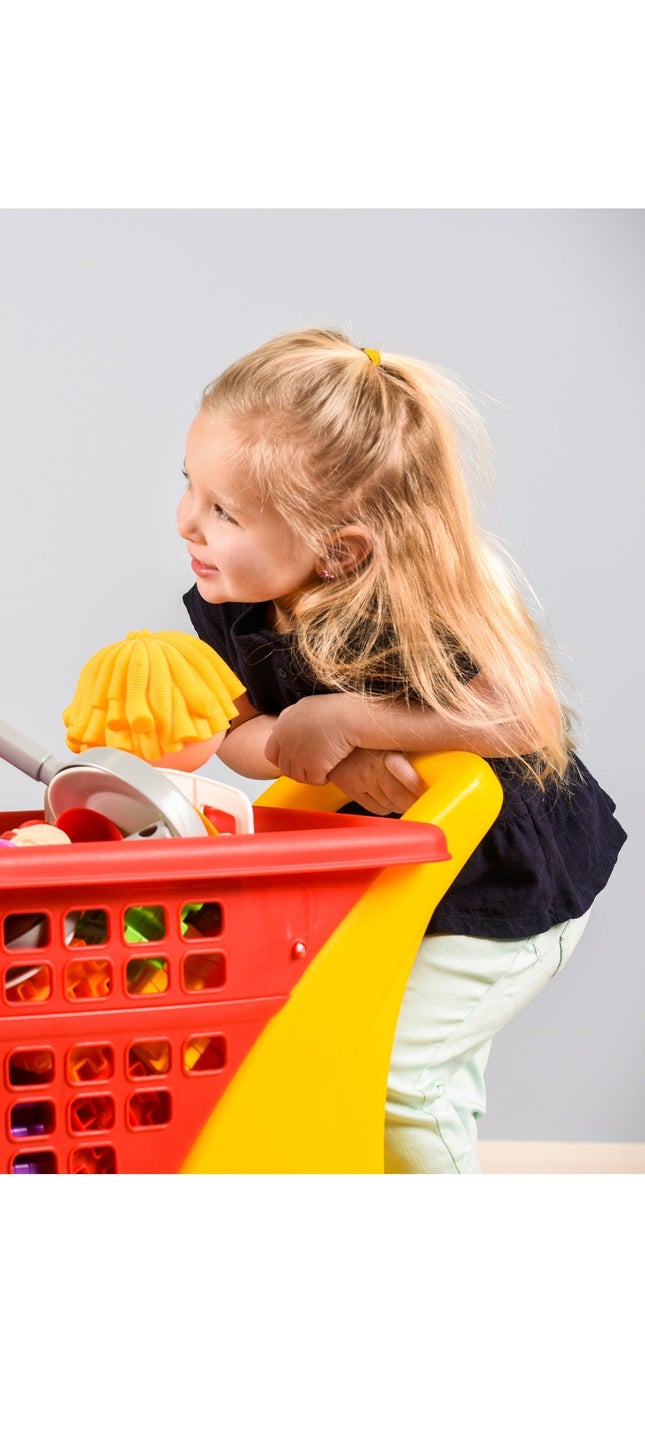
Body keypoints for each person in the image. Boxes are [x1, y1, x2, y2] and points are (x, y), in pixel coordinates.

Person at [175, 327, 626, 1173]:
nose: (185, 522)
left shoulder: (430, 594)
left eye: (223, 510)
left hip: (504, 889)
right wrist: (285, 740)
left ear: (339, 548)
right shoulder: (233, 601)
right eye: (188, 487)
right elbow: (235, 733)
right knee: (340, 1064)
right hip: (391, 880)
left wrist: (349, 719)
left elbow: (523, 716)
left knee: (399, 1078)